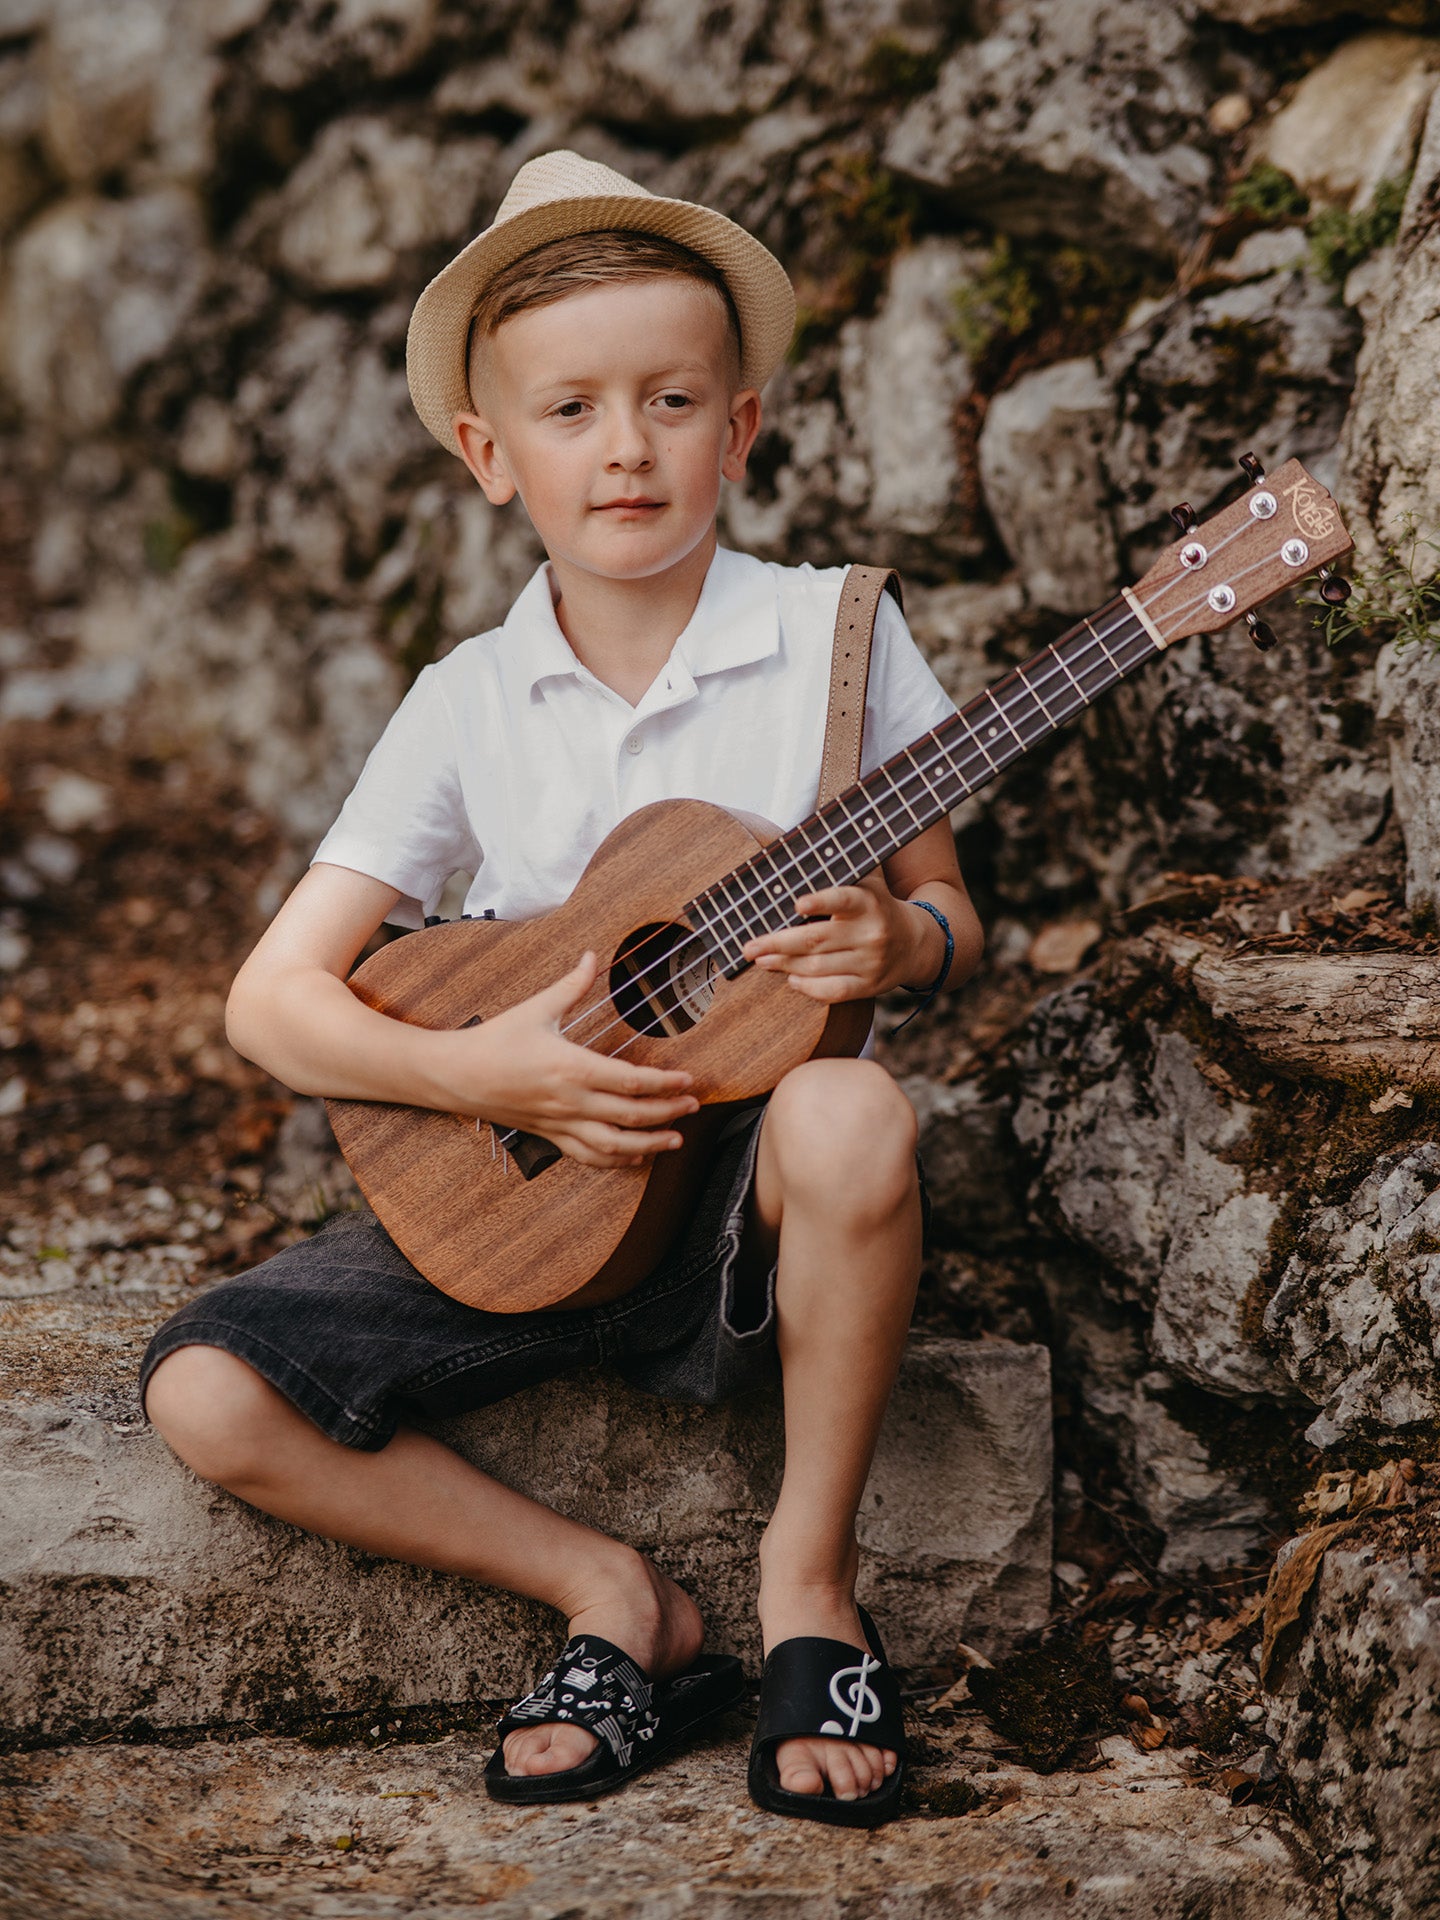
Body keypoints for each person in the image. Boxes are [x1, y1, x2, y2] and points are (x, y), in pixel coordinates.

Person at [140, 150, 983, 1828]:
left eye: (673, 399)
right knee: (205, 1391)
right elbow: (273, 1001)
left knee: (845, 1100)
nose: (627, 446)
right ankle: (612, 1597)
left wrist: (905, 947)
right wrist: (494, 1082)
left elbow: (949, 910)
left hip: (750, 1208)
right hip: (532, 1203)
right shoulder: (468, 701)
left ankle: (806, 1589)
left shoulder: (839, 637)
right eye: (574, 409)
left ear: (739, 428)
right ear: (489, 456)